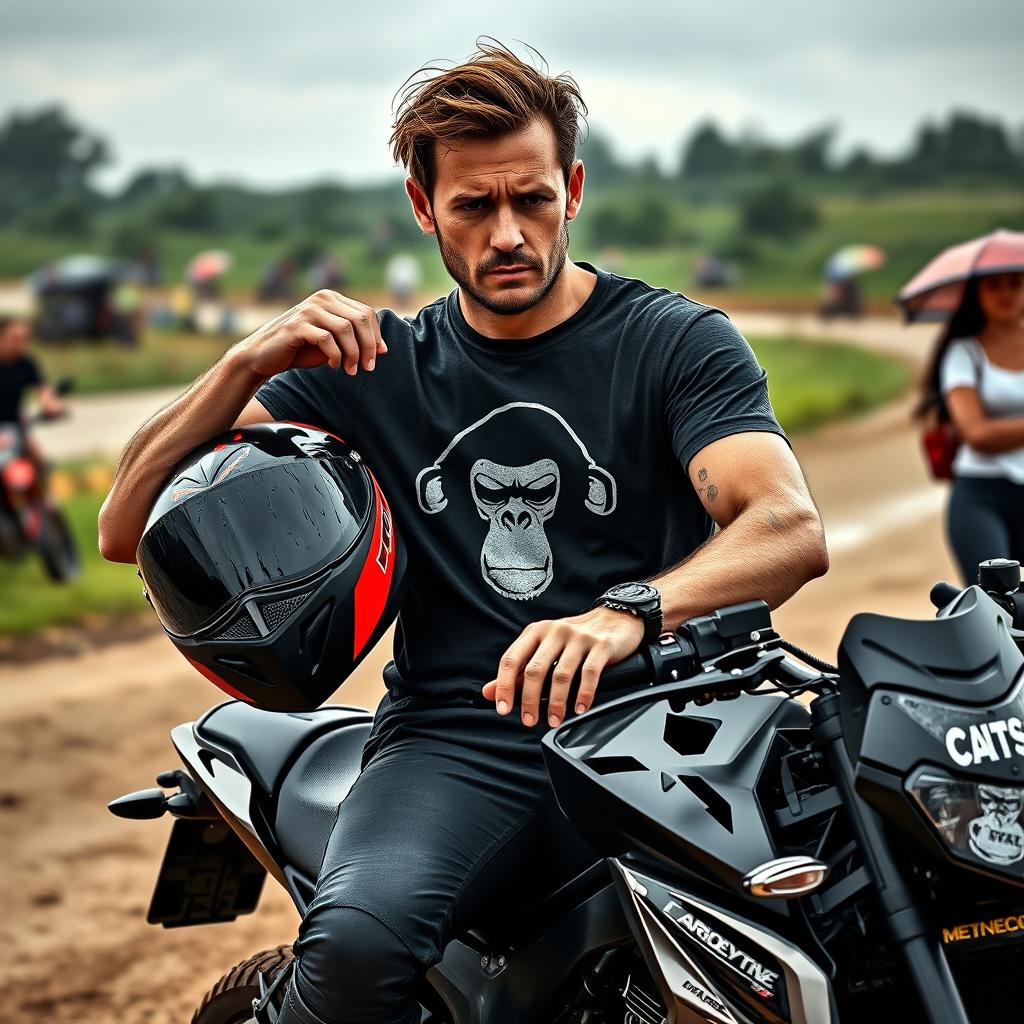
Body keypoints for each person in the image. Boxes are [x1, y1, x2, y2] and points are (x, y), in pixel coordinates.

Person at [98, 41, 829, 1024]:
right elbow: (123, 523)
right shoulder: (376, 368)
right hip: (460, 739)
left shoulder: (673, 341)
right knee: (356, 949)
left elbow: (784, 523)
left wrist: (629, 614)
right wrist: (241, 364)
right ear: (422, 206)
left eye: (530, 199)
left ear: (571, 189)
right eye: (474, 207)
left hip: (677, 722)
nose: (509, 233)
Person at [918, 271, 1024, 584]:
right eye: (993, 285)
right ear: (976, 294)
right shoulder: (964, 352)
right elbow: (975, 433)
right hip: (981, 494)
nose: (1005, 293)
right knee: (993, 603)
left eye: (1015, 283)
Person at [0, 316, 67, 471]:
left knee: (39, 461)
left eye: (24, 339)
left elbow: (42, 390)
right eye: (15, 339)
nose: (21, 344)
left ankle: (44, 495)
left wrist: (52, 406)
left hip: (14, 427)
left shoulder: (26, 363)